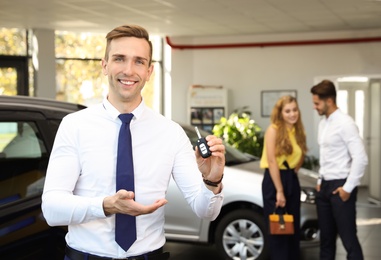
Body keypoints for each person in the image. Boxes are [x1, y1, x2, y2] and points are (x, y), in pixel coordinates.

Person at [41, 24, 225, 260]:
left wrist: (213, 180)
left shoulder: (171, 133)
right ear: (105, 65)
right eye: (119, 58)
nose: (129, 70)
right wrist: (107, 205)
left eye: (139, 61)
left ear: (149, 71)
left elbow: (205, 211)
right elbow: (52, 209)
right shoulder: (74, 126)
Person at [311, 80, 368, 260]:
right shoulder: (323, 123)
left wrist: (347, 188)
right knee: (326, 240)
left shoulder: (346, 123)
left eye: (317, 103)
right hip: (325, 187)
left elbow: (361, 158)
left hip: (340, 187)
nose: (315, 107)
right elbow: (326, 156)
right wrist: (320, 181)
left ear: (329, 101)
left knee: (348, 239)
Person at [260, 95, 307, 260]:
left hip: (291, 179)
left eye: (295, 110)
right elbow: (272, 161)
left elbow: (301, 154)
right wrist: (280, 190)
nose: (292, 114)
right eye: (288, 111)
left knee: (292, 227)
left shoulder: (297, 130)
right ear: (280, 113)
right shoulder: (273, 130)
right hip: (275, 180)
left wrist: (293, 172)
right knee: (278, 229)